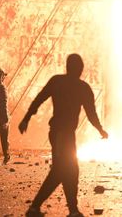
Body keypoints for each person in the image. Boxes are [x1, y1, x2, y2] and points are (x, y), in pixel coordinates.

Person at [19, 53, 108, 217]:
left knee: (70, 170)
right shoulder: (83, 88)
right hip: (62, 134)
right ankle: (37, 208)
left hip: (61, 134)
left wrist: (26, 118)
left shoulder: (57, 81)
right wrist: (100, 129)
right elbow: (91, 114)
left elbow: (38, 100)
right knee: (62, 170)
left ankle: (72, 210)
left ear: (67, 67)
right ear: (81, 69)